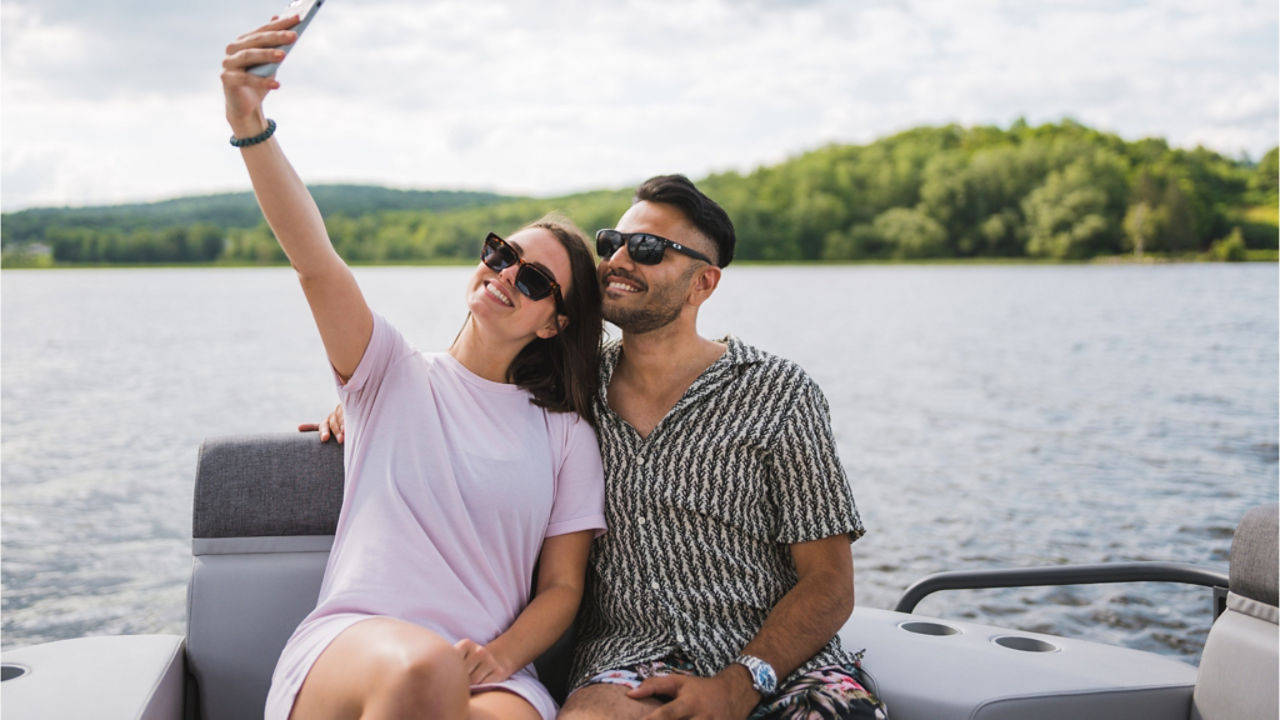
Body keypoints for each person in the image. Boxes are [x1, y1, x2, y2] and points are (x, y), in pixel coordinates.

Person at [314, 174, 887, 720]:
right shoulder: (574, 395)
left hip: (778, 666)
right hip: (626, 665)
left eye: (647, 248)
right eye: (612, 243)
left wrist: (740, 684)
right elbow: (468, 385)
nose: (617, 260)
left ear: (703, 282)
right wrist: (365, 406)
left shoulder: (779, 392)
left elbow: (830, 584)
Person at [222, 15, 608, 720]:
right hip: (352, 653)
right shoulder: (388, 374)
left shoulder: (564, 437)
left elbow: (561, 590)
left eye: (533, 282)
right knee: (422, 668)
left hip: (488, 669)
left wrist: (503, 657)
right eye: (502, 254)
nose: (506, 274)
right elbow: (316, 263)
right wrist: (250, 124)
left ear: (555, 324)